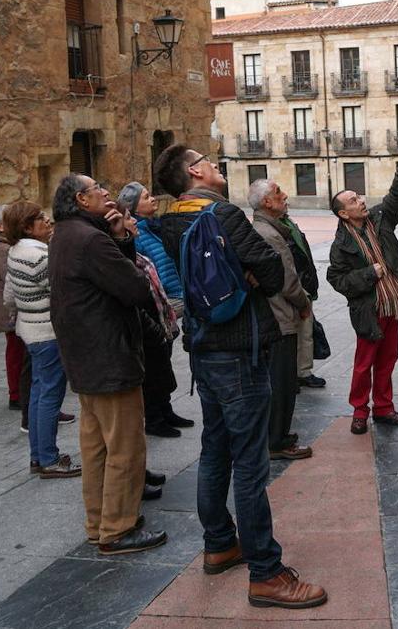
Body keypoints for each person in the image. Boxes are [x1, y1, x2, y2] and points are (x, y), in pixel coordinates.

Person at [153, 145, 327, 609]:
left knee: (216, 447)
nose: (214, 163)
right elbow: (270, 269)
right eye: (206, 160)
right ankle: (266, 573)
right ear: (194, 172)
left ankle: (219, 543)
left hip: (204, 348)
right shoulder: (223, 213)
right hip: (239, 347)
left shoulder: (170, 218)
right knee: (250, 464)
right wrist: (250, 276)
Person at [48, 174, 167, 556]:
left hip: (86, 358)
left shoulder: (66, 234)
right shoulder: (90, 239)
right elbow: (134, 288)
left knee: (97, 447)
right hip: (108, 356)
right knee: (125, 447)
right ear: (82, 200)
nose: (106, 192)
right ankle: (117, 528)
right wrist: (118, 239)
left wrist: (119, 237)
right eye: (98, 189)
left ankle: (100, 522)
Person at [326, 138, 398, 435]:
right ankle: (359, 411)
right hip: (369, 309)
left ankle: (383, 407)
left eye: (359, 196)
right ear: (343, 213)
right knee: (365, 362)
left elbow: (396, 197)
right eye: (353, 200)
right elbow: (337, 279)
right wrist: (369, 273)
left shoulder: (380, 220)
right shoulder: (340, 245)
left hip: (392, 305)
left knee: (388, 359)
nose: (361, 201)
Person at [1, 201, 81, 479]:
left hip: (30, 331)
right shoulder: (41, 255)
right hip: (48, 332)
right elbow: (63, 291)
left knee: (38, 393)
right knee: (49, 396)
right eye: (41, 218)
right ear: (27, 226)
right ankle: (48, 458)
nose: (48, 221)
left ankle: (38, 455)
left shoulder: (14, 252)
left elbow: (9, 297)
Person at [117, 182, 196, 437]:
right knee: (155, 362)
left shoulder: (155, 227)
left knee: (164, 360)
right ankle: (154, 416)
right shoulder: (135, 234)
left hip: (169, 299)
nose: (153, 199)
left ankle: (165, 409)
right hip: (157, 303)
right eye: (146, 197)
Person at [248, 179, 314, 461]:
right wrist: (303, 302)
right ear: (266, 202)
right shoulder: (270, 234)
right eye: (278, 193)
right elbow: (287, 280)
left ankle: (277, 436)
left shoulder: (267, 228)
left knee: (282, 379)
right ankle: (276, 441)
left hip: (276, 314)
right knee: (282, 381)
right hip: (280, 316)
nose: (284, 196)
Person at [276, 207, 325, 389]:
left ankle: (303, 372)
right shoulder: (272, 228)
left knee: (306, 333)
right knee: (292, 335)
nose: (285, 202)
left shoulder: (289, 223)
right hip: (291, 289)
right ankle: (292, 375)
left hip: (304, 284)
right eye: (279, 197)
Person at [0, 204, 28, 419]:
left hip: (12, 309)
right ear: (1, 226)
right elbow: (11, 278)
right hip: (10, 310)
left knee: (19, 352)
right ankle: (16, 394)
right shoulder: (2, 249)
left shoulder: (6, 247)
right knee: (16, 352)